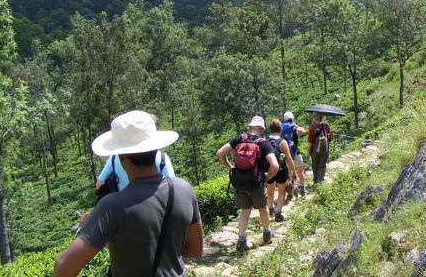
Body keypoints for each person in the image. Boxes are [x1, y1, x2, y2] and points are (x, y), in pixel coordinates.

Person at [54, 110, 203, 277]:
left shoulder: (113, 206)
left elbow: (63, 266)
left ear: (122, 157)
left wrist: (93, 229)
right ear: (155, 148)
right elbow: (195, 251)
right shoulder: (184, 189)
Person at [216, 116, 279, 253]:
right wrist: (267, 177)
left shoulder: (239, 138)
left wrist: (230, 167)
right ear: (262, 129)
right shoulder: (263, 143)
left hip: (239, 182)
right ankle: (267, 234)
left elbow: (220, 153)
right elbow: (275, 165)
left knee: (244, 212)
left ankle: (241, 242)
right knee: (262, 208)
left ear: (250, 127)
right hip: (255, 182)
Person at [95, 114, 175, 193]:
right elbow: (172, 186)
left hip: (124, 200)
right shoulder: (162, 159)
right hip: (157, 200)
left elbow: (99, 183)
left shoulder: (114, 158)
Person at [265, 119, 295, 222]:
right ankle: (278, 213)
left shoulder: (265, 140)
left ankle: (270, 208)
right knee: (282, 192)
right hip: (280, 169)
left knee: (270, 190)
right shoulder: (282, 142)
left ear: (270, 129)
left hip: (269, 169)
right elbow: (289, 159)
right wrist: (293, 172)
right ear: (280, 129)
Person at [281, 111, 307, 196]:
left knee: (289, 174)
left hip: (286, 154)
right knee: (300, 172)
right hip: (295, 152)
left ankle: (290, 192)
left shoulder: (280, 127)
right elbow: (303, 132)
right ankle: (302, 188)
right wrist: (296, 125)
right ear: (292, 118)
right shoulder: (294, 127)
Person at [307, 112, 333, 185]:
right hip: (325, 149)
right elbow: (330, 139)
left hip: (315, 149)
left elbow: (310, 142)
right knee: (322, 164)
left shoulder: (312, 127)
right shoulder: (326, 126)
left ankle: (315, 181)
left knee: (315, 164)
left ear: (314, 118)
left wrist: (308, 152)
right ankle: (320, 181)